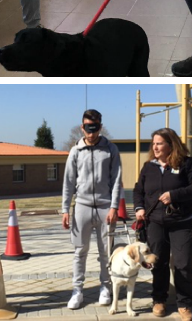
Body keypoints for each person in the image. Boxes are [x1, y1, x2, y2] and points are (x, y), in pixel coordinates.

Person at [133, 128, 192, 321]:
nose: (155, 147)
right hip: (155, 222)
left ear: (171, 145)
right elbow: (138, 190)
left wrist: (174, 195)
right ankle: (159, 300)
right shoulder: (149, 167)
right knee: (159, 263)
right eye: (153, 143)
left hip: (182, 222)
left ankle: (184, 304)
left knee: (182, 265)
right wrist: (139, 208)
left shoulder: (186, 164)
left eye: (159, 143)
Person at [61, 109, 122, 310]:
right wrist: (65, 209)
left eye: (95, 128)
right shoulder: (75, 151)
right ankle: (77, 290)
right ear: (82, 127)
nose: (91, 132)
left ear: (100, 126)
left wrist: (114, 207)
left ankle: (105, 287)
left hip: (105, 207)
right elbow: (68, 182)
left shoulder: (110, 149)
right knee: (80, 251)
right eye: (88, 128)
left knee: (105, 252)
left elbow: (116, 180)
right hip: (82, 207)